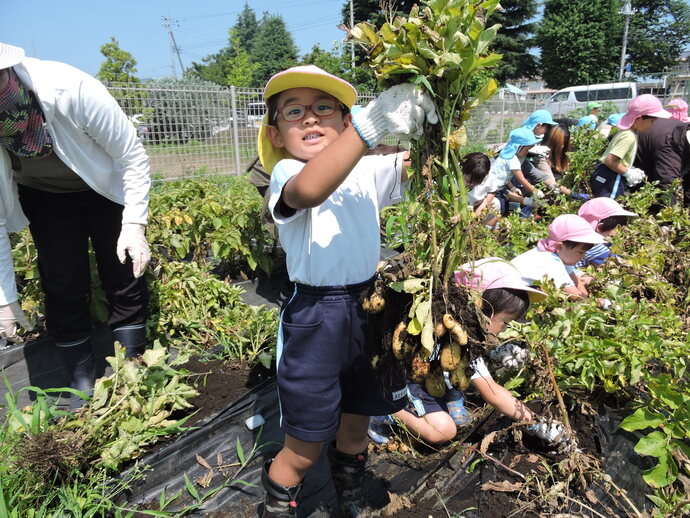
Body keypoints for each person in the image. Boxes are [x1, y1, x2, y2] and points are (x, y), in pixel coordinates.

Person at [257, 64, 436, 517]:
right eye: (293, 111)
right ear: (276, 135)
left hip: (370, 308)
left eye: (324, 109)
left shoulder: (369, 170)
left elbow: (425, 169)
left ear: (341, 119)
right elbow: (312, 190)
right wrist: (368, 128)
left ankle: (350, 495)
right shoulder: (287, 174)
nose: (311, 118)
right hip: (316, 319)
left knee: (356, 424)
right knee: (305, 446)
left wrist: (437, 117)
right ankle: (278, 504)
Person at [0, 43, 151, 405]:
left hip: (104, 187)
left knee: (122, 271)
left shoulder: (69, 89)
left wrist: (133, 224)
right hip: (45, 194)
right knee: (62, 279)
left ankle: (132, 366)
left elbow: (131, 157)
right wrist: (3, 297)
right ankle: (81, 377)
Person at [369, 258, 574, 450]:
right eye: (505, 323)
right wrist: (537, 423)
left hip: (426, 377)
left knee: (456, 383)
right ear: (481, 308)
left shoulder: (465, 334)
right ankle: (383, 407)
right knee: (443, 431)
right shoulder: (436, 327)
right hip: (398, 379)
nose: (504, 330)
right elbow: (492, 393)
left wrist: (492, 357)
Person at [589, 94, 671, 199]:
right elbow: (610, 161)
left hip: (607, 175)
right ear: (638, 119)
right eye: (651, 121)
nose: (652, 125)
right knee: (609, 209)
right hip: (611, 178)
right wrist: (628, 172)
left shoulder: (627, 133)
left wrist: (630, 168)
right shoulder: (629, 136)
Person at [510, 214, 605, 301]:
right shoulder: (548, 261)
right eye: (580, 252)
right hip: (510, 298)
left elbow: (576, 283)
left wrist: (585, 295)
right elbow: (575, 296)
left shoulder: (559, 256)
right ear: (559, 246)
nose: (583, 256)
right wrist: (601, 304)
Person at [471, 127, 541, 218]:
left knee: (498, 204)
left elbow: (502, 174)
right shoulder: (513, 159)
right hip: (494, 188)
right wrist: (535, 191)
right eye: (526, 150)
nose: (527, 153)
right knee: (500, 206)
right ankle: (488, 225)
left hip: (496, 186)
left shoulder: (505, 153)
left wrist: (512, 187)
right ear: (518, 148)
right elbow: (521, 179)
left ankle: (488, 223)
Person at [634, 116, 690, 209]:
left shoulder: (685, 131)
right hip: (630, 165)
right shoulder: (669, 147)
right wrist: (669, 218)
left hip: (650, 154)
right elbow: (666, 185)